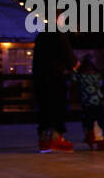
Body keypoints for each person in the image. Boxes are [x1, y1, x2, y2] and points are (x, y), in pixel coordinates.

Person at [32, 18, 77, 152]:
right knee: (57, 106)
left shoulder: (41, 34)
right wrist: (74, 64)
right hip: (55, 76)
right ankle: (56, 138)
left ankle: (44, 139)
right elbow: (66, 52)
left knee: (44, 107)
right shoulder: (58, 32)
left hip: (41, 78)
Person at [73, 55, 104, 148]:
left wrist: (74, 69)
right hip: (99, 101)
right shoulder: (97, 75)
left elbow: (73, 80)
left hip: (87, 102)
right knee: (102, 121)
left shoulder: (81, 76)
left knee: (89, 121)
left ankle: (91, 139)